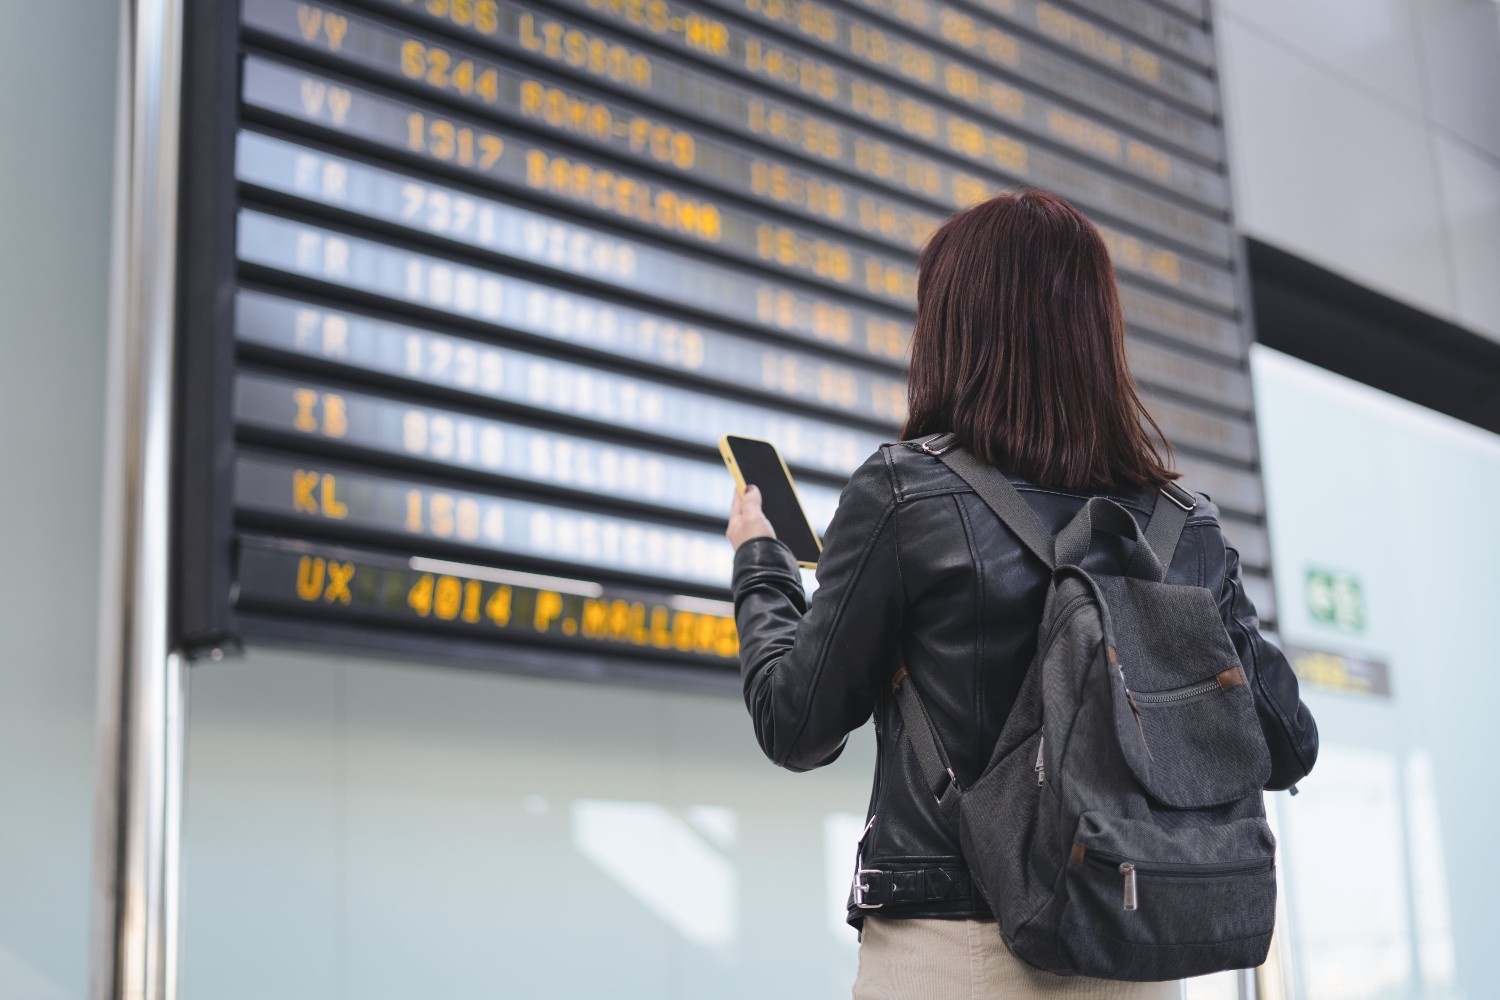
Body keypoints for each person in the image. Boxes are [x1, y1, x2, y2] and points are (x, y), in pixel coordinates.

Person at [725, 190, 1318, 999]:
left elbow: (796, 727)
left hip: (955, 955)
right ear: (1098, 334)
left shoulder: (905, 494)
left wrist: (761, 561)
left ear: (951, 331)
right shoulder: (1185, 526)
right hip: (1136, 950)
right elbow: (1290, 744)